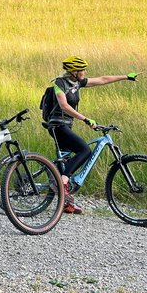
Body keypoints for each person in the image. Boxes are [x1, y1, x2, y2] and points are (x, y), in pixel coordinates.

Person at [46, 56, 139, 214]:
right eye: (82, 69)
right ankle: (61, 182)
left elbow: (102, 80)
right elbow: (64, 105)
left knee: (67, 160)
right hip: (57, 126)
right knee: (85, 151)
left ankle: (65, 203)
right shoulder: (59, 84)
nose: (85, 72)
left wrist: (126, 77)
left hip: (66, 125)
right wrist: (86, 119)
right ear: (74, 72)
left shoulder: (77, 82)